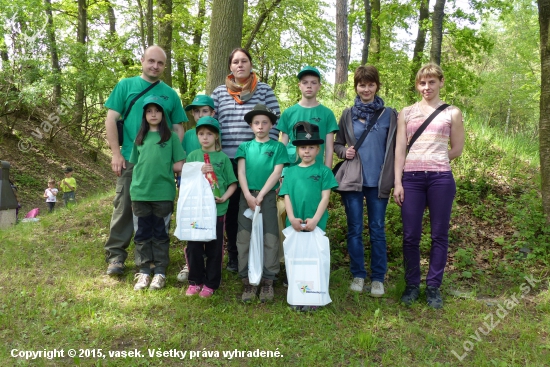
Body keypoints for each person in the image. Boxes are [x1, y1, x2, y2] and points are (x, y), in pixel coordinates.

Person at [103, 45, 186, 276]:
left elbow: (178, 127)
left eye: (160, 63)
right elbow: (111, 119)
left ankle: (154, 257)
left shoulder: (170, 94)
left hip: (160, 163)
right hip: (131, 157)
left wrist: (172, 157)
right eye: (151, 61)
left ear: (164, 66)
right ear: (142, 60)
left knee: (157, 210)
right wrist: (116, 153)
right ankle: (116, 256)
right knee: (124, 206)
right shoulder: (126, 85)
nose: (155, 66)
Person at [393, 63, 464, 309]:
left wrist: (437, 159)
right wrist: (397, 182)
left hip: (441, 179)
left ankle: (433, 286)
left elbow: (457, 148)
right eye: (422, 83)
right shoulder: (406, 112)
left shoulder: (452, 112)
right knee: (411, 236)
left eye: (432, 82)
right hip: (411, 179)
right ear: (417, 85)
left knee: (439, 235)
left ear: (441, 82)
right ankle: (412, 285)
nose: (427, 87)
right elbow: (400, 148)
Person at [212, 48, 281, 273]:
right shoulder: (220, 93)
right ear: (230, 67)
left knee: (257, 208)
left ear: (251, 64)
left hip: (254, 162)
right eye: (235, 62)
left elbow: (275, 122)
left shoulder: (264, 91)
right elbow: (211, 125)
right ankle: (234, 256)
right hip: (226, 161)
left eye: (244, 61)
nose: (240, 65)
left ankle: (260, 256)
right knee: (231, 211)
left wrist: (266, 155)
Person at [333, 65, 397, 297]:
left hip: (379, 181)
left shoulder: (390, 114)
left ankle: (378, 278)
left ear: (377, 85)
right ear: (356, 87)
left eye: (371, 84)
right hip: (353, 181)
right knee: (355, 229)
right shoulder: (348, 114)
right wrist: (343, 152)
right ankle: (358, 274)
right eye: (362, 84)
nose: (366, 89)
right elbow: (338, 143)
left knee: (378, 229)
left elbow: (398, 147)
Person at [279, 122, 338, 311]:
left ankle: (314, 297)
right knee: (296, 258)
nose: (306, 151)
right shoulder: (290, 171)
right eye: (303, 147)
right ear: (297, 149)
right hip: (294, 222)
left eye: (311, 147)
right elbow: (286, 196)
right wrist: (292, 217)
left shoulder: (323, 171)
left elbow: (325, 197)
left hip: (316, 223)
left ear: (318, 149)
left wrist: (315, 220)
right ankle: (298, 295)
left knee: (314, 258)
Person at [129, 95, 186, 291]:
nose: (153, 114)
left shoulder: (170, 138)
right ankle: (144, 271)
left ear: (163, 114)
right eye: (149, 111)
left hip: (163, 193)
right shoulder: (139, 138)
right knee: (142, 233)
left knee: (160, 233)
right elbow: (135, 163)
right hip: (140, 193)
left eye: (157, 111)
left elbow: (179, 164)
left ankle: (160, 271)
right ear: (144, 115)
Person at [235, 104, 289, 302]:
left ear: (271, 125)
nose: (260, 126)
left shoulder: (277, 147)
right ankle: (248, 280)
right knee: (244, 237)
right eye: (256, 123)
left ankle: (268, 280)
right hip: (246, 197)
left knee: (270, 237)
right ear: (251, 125)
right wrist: (248, 195)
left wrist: (261, 195)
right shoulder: (245, 147)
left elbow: (277, 172)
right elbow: (241, 172)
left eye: (264, 122)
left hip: (267, 198)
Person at [183, 116, 237, 298]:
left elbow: (232, 184)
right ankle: (195, 281)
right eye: (201, 134)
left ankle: (211, 283)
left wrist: (224, 197)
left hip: (217, 210)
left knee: (215, 247)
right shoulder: (192, 156)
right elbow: (186, 182)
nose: (205, 137)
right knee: (194, 246)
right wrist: (198, 171)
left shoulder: (223, 158)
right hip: (197, 211)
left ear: (216, 137)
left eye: (209, 134)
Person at [279, 66, 339, 168]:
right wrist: (280, 172)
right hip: (291, 170)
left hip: (316, 172)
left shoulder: (327, 114)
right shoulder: (288, 113)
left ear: (319, 86)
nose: (309, 86)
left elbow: (329, 149)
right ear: (299, 85)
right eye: (305, 82)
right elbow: (283, 146)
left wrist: (327, 174)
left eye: (314, 82)